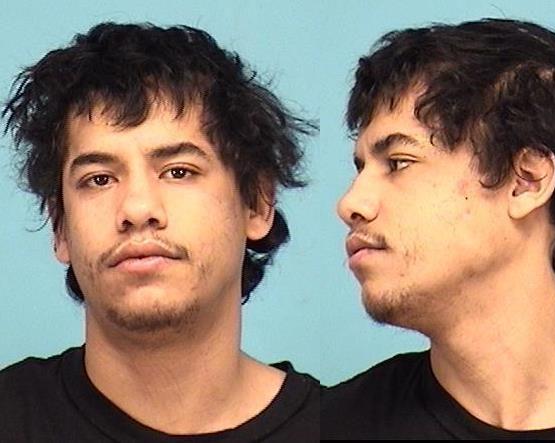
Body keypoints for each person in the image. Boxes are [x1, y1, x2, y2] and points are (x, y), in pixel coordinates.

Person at [0, 22, 320, 441]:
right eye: (99, 179)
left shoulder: (343, 424)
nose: (137, 209)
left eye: (178, 172)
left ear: (257, 204)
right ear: (60, 227)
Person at [323, 18, 555, 439]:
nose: (350, 204)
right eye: (361, 168)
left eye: (399, 163)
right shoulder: (336, 423)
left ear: (526, 181)